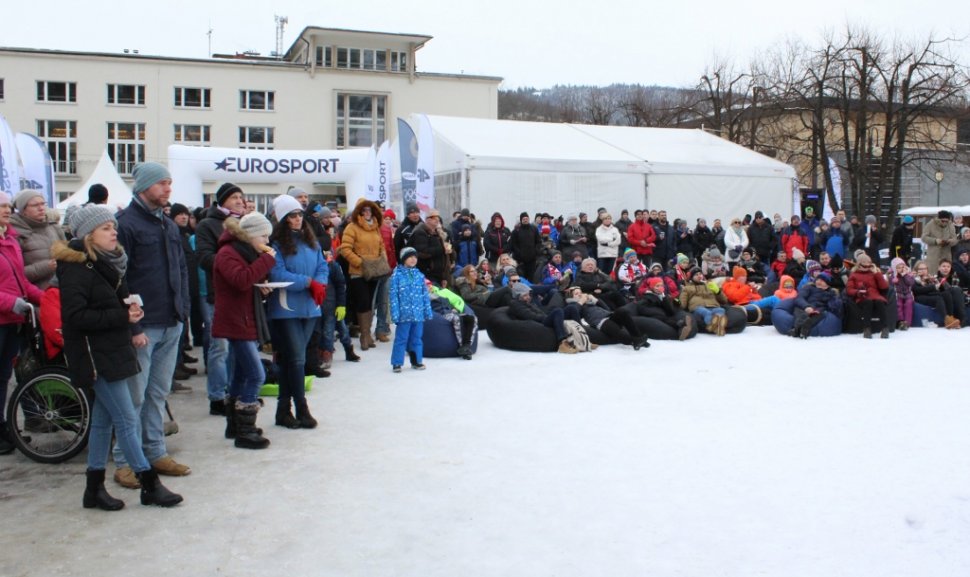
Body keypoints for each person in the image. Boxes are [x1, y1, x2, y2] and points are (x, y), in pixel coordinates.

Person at [54, 205, 182, 509]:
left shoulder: (104, 263)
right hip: (94, 354)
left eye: (113, 226)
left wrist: (129, 314)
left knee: (104, 421)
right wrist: (121, 315)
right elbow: (75, 316)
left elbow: (112, 305)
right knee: (126, 418)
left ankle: (93, 488)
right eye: (105, 228)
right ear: (88, 236)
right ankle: (148, 483)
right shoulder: (76, 268)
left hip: (112, 348)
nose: (114, 232)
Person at [112, 162, 191, 489]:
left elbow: (182, 270)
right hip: (144, 325)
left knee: (158, 392)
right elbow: (120, 279)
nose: (168, 189)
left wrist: (183, 310)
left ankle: (156, 452)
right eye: (162, 183)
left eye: (170, 183)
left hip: (171, 320)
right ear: (144, 186)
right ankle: (125, 460)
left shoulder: (168, 225)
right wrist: (133, 327)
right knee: (134, 396)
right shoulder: (126, 225)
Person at [213, 213, 278, 449]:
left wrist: (261, 285)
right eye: (263, 236)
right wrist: (267, 260)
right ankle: (246, 430)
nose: (267, 242)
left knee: (241, 375)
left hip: (245, 317)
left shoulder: (242, 252)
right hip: (236, 320)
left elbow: (247, 280)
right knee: (256, 374)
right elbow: (240, 280)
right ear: (250, 235)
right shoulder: (228, 253)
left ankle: (235, 425)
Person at [267, 194, 328, 429]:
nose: (297, 219)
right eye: (292, 215)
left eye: (299, 214)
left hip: (310, 306)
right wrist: (307, 282)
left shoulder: (311, 242)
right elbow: (277, 273)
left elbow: (322, 266)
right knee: (296, 359)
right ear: (283, 219)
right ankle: (300, 406)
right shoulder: (277, 245)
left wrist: (319, 283)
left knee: (293, 359)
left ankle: (284, 408)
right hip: (287, 307)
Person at [195, 182, 247, 416]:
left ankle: (236, 394)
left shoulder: (244, 223)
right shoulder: (208, 224)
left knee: (242, 348)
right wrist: (233, 266)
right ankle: (217, 396)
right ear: (222, 200)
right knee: (221, 347)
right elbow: (205, 257)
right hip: (219, 293)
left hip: (244, 293)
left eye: (241, 197)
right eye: (234, 197)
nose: (240, 201)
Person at [0, 192, 45, 455]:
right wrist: (10, 302)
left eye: (7, 205)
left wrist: (47, 298)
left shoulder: (10, 239)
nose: (7, 210)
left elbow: (21, 282)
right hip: (4, 315)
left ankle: (3, 426)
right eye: (2, 206)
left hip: (14, 319)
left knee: (4, 377)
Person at [338, 198, 387, 350]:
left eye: (370, 210)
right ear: (359, 212)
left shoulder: (376, 227)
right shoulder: (352, 227)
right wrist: (360, 262)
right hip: (358, 272)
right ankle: (364, 335)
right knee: (363, 302)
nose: (367, 213)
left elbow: (381, 245)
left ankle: (367, 334)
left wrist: (382, 259)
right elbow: (345, 249)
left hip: (374, 270)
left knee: (371, 302)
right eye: (364, 210)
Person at [10, 189, 65, 290]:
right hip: (36, 297)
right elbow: (12, 274)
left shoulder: (54, 228)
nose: (41, 208)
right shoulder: (14, 234)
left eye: (43, 204)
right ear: (23, 210)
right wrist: (46, 267)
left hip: (62, 293)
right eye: (35, 205)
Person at [389, 247, 433, 372]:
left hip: (418, 314)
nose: (413, 259)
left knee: (417, 338)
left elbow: (425, 295)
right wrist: (395, 314)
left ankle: (416, 361)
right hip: (404, 314)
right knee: (401, 338)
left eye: (415, 257)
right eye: (410, 257)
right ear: (403, 259)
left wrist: (427, 311)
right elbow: (393, 297)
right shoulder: (396, 276)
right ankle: (397, 362)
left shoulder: (419, 276)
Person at [507, 281, 579, 354]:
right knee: (558, 311)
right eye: (525, 295)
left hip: (543, 317)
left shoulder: (526, 302)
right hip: (539, 322)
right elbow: (531, 316)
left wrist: (547, 315)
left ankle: (582, 336)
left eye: (528, 295)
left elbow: (538, 311)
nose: (528, 297)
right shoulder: (516, 305)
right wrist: (547, 317)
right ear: (518, 296)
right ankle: (562, 343)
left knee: (571, 308)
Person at [566, 287, 648, 349]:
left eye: (580, 292)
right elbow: (575, 312)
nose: (580, 294)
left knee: (622, 311)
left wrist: (596, 300)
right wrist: (581, 302)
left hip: (610, 315)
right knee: (615, 329)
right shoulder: (573, 305)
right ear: (571, 297)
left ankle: (638, 337)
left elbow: (607, 309)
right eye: (576, 294)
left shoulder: (590, 302)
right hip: (600, 322)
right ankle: (634, 341)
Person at [427, 281, 478, 360]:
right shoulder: (424, 297)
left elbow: (450, 303)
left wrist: (455, 309)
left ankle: (466, 345)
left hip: (450, 312)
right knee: (457, 319)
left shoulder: (440, 293)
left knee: (471, 317)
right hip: (441, 314)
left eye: (429, 285)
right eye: (426, 286)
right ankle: (463, 347)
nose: (429, 287)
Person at [845, 253, 890, 338]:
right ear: (859, 265)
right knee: (868, 303)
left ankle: (885, 328)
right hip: (862, 297)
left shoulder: (874, 273)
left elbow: (884, 287)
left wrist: (877, 274)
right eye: (864, 266)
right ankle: (867, 328)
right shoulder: (854, 275)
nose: (867, 268)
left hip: (876, 296)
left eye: (869, 266)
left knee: (880, 303)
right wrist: (857, 292)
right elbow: (849, 289)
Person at [790, 272, 842, 339]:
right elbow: (799, 298)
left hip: (818, 311)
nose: (819, 281)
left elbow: (834, 306)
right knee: (800, 311)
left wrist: (834, 298)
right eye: (818, 279)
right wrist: (806, 307)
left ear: (827, 284)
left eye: (822, 280)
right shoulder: (809, 287)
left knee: (821, 315)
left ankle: (803, 327)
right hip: (805, 307)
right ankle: (798, 329)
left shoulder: (830, 293)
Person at [680, 267, 728, 336]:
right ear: (692, 277)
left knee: (720, 310)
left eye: (700, 274)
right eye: (696, 275)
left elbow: (724, 301)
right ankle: (717, 326)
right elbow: (683, 304)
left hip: (713, 305)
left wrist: (718, 291)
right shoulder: (687, 288)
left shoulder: (710, 285)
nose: (699, 276)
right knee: (706, 312)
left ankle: (714, 326)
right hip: (698, 307)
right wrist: (678, 302)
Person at [410, 209, 452, 288]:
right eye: (434, 218)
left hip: (439, 275)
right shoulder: (420, 233)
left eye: (438, 218)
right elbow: (423, 253)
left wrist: (444, 277)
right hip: (427, 274)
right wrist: (442, 249)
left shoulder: (437, 233)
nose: (437, 220)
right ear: (428, 219)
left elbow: (442, 257)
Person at [510, 212, 542, 280]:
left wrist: (536, 251)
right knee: (521, 277)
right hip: (520, 259)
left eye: (527, 218)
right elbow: (513, 244)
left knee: (532, 276)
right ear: (521, 220)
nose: (525, 220)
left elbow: (538, 242)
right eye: (524, 219)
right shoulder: (516, 231)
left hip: (532, 259)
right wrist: (519, 254)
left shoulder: (534, 229)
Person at [888, 258, 914, 330]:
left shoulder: (908, 274)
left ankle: (907, 322)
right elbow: (890, 286)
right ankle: (900, 321)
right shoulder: (892, 276)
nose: (901, 269)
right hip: (897, 294)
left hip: (907, 293)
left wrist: (905, 275)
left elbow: (910, 283)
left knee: (908, 303)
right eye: (899, 268)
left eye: (902, 267)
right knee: (898, 304)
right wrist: (893, 281)